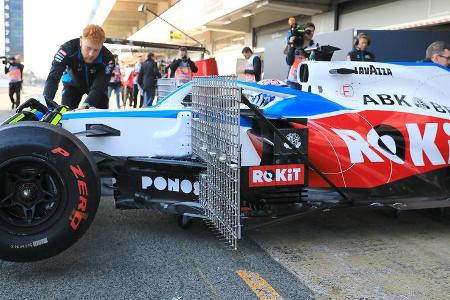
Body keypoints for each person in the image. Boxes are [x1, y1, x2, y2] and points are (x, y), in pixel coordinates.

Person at [43, 24, 114, 109]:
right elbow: (53, 78)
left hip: (97, 89)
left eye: (96, 50)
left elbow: (99, 86)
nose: (91, 54)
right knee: (66, 113)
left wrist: (86, 105)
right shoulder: (67, 50)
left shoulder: (108, 58)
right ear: (81, 41)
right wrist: (45, 102)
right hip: (72, 86)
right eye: (88, 48)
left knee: (101, 115)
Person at [286, 22, 315, 90]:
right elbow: (289, 62)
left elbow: (313, 62)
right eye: (308, 31)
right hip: (293, 82)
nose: (311, 33)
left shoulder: (314, 46)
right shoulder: (295, 43)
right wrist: (292, 45)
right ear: (303, 31)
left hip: (306, 82)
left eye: (313, 31)